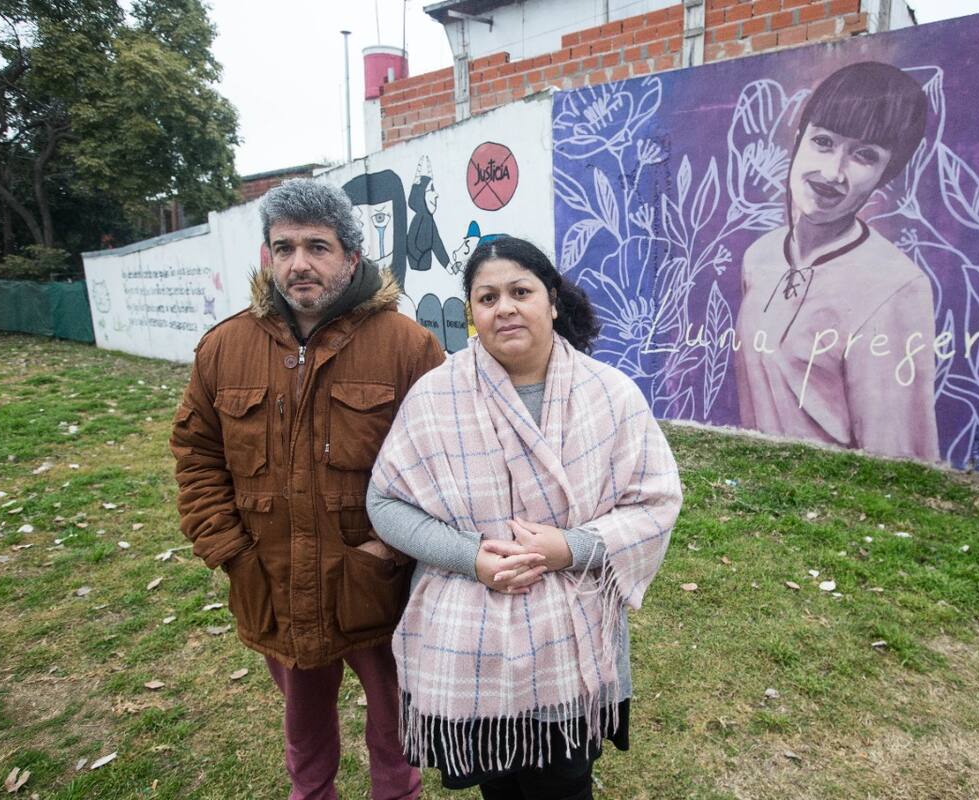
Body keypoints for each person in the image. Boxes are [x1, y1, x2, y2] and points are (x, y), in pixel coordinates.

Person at [366, 236, 683, 798]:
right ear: (473, 314)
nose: (504, 307)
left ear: (552, 301)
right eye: (487, 298)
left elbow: (655, 501)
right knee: (502, 786)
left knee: (568, 782)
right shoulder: (436, 396)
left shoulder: (611, 395)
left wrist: (571, 547)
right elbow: (386, 503)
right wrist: (471, 558)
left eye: (520, 291)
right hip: (473, 644)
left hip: (573, 638)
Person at [170, 179, 444, 800]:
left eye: (317, 247)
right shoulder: (224, 348)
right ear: (267, 257)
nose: (299, 263)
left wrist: (392, 552)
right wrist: (232, 552)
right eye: (284, 246)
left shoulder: (409, 347)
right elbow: (197, 454)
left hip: (376, 586)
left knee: (396, 724)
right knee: (303, 728)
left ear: (350, 257)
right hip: (273, 577)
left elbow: (446, 463)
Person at [734, 61, 940, 461]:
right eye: (823, 142)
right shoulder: (759, 257)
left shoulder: (895, 287)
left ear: (886, 173)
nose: (833, 173)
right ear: (798, 138)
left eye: (864, 155)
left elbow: (897, 465)